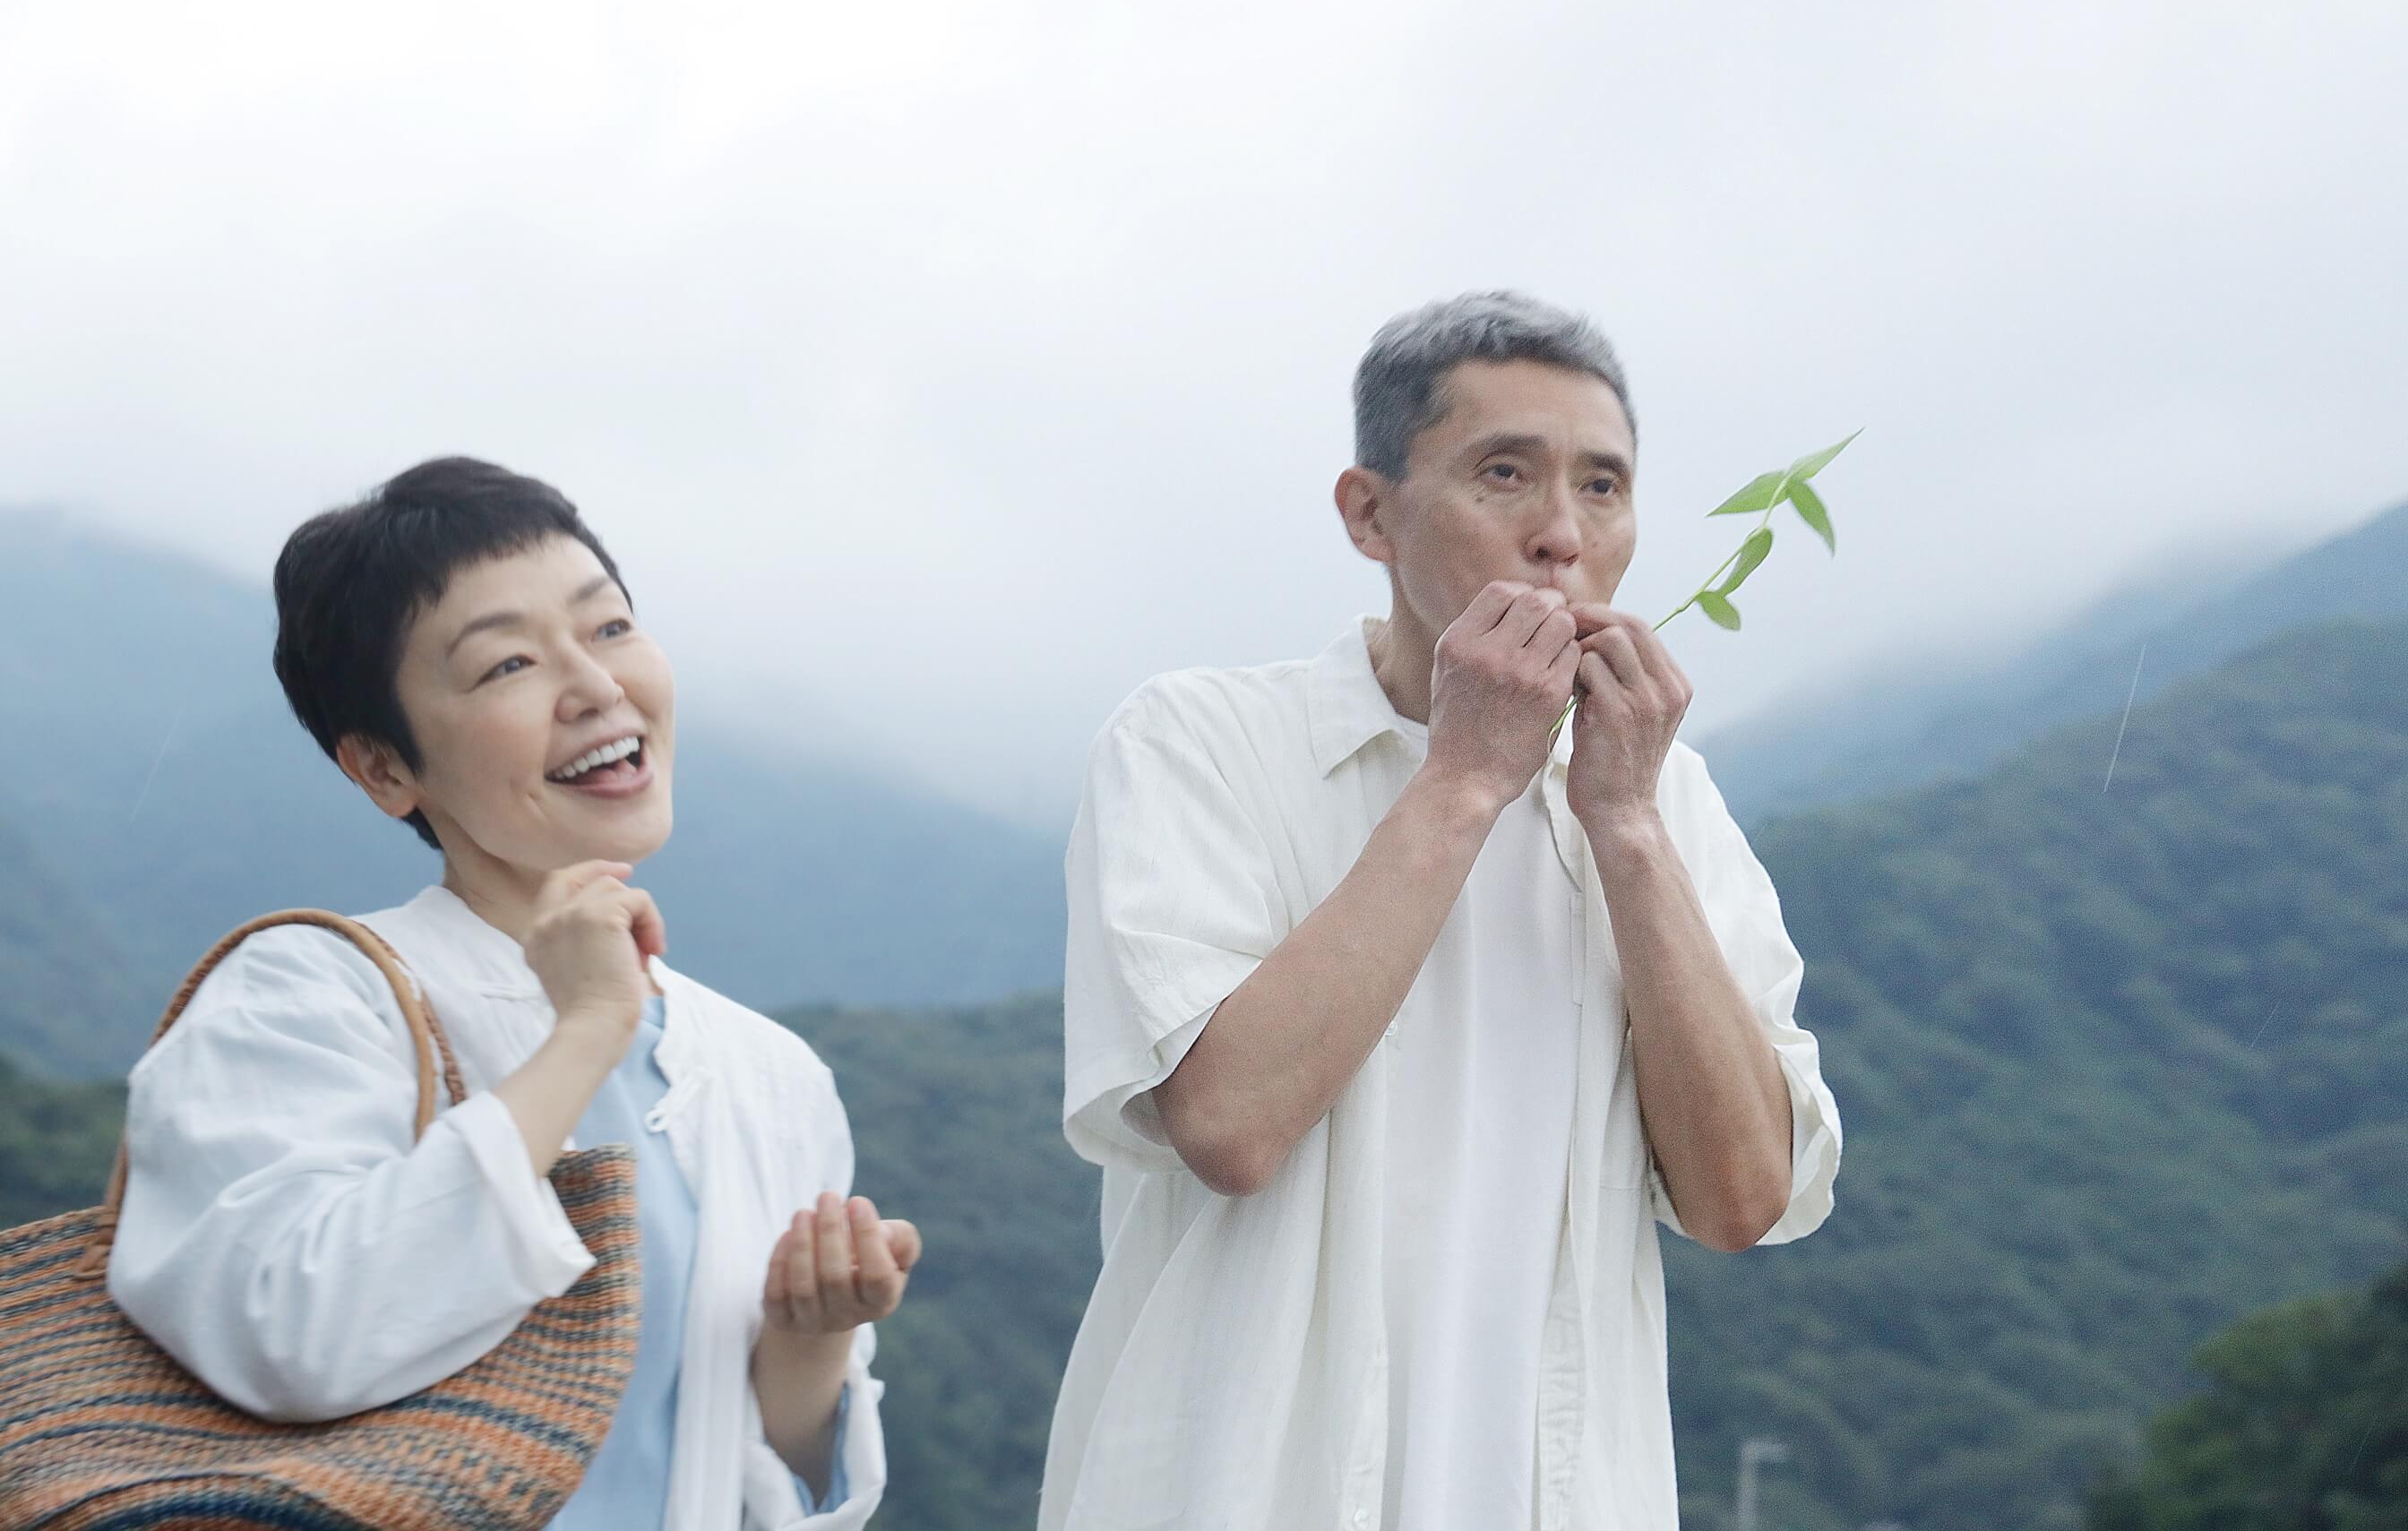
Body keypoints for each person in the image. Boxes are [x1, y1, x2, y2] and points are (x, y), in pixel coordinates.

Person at [1041, 291, 1844, 1530]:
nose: (1562, 536)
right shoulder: (1199, 742)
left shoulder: (1666, 798)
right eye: (1504, 475)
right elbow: (1231, 1125)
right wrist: (1468, 777)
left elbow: (1743, 1199)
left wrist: (1625, 827)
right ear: (1371, 514)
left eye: (1604, 488)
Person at [108, 457, 915, 1528]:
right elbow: (289, 1329)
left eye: (611, 627)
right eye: (506, 666)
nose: (595, 686)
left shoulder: (768, 1074)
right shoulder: (305, 996)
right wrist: (585, 1029)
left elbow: (745, 1464)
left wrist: (814, 1332)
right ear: (385, 770)